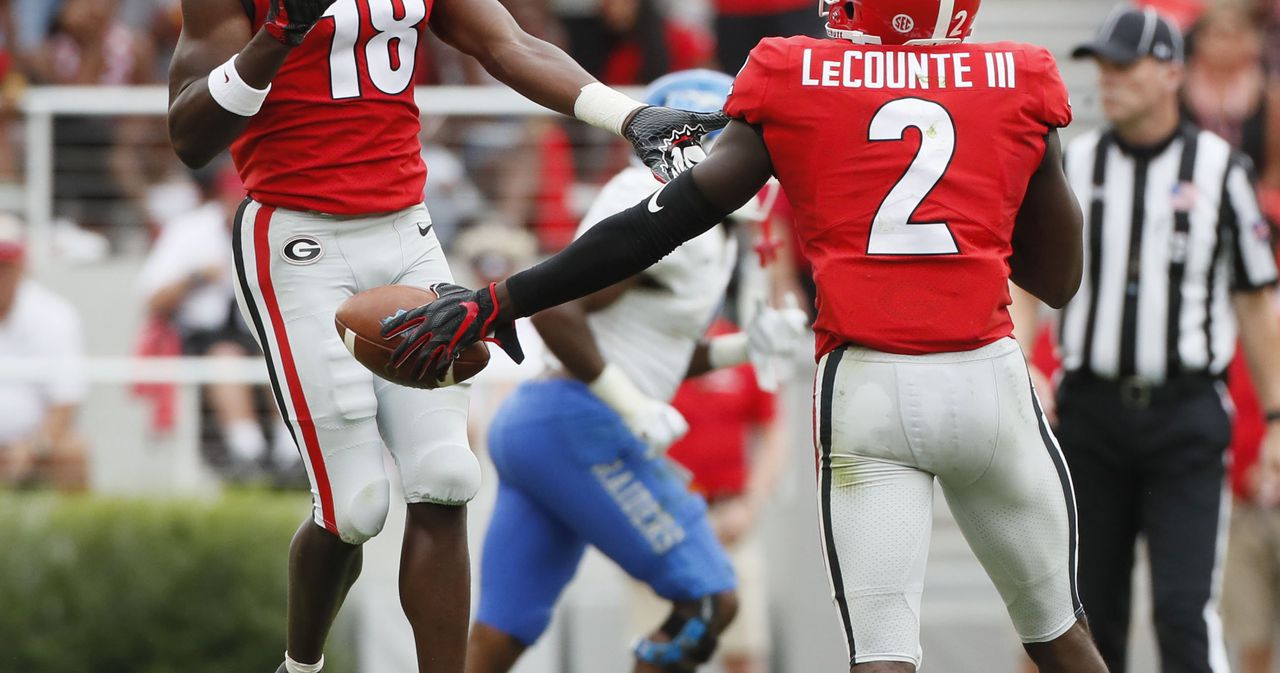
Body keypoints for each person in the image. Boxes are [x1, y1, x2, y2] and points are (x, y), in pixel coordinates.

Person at [382, 0, 1114, 670]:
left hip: (869, 390)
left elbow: (650, 228)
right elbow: (1058, 278)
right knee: (1061, 632)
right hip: (986, 377)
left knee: (883, 653)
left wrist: (498, 300)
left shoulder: (796, 71)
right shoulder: (1019, 75)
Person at [164, 0, 728, 670]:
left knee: (446, 475)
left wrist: (628, 116)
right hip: (295, 237)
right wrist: (279, 34)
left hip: (406, 229)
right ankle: (301, 666)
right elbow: (190, 134)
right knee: (354, 506)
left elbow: (504, 42)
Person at [465, 69, 808, 673]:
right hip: (577, 422)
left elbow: (651, 349)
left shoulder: (714, 232)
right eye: (734, 138)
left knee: (501, 636)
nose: (754, 158)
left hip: (544, 423)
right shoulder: (660, 204)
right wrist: (629, 404)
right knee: (709, 599)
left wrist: (743, 348)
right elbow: (552, 309)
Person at [1009, 6, 1280, 673]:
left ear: (1171, 73)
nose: (1109, 80)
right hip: (1091, 413)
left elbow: (1253, 301)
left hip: (1186, 413)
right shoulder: (1078, 163)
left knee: (1183, 611)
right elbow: (1025, 279)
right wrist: (1020, 362)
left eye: (1124, 66)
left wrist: (1276, 416)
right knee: (1091, 612)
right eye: (1102, 66)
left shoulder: (1222, 169)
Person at [629, 315, 788, 673]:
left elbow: (773, 431)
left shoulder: (740, 345)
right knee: (658, 652)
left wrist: (750, 505)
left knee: (744, 650)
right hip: (661, 520)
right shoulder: (647, 344)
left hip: (728, 517)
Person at [137, 163, 295, 482]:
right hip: (202, 335)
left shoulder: (278, 229)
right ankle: (246, 452)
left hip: (264, 331)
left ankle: (289, 454)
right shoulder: (190, 231)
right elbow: (151, 299)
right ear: (220, 197)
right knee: (226, 357)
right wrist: (196, 277)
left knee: (279, 352)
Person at [0, 214, 88, 490]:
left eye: (5, 266)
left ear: (22, 266)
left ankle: (74, 534)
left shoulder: (54, 315)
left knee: (74, 452)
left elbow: (65, 402)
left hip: (37, 446)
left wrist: (34, 447)